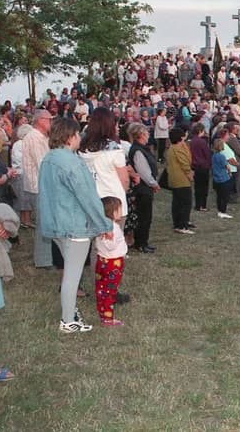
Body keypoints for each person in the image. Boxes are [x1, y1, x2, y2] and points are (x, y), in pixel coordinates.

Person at [38, 118, 111, 333]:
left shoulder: (48, 159)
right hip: (74, 225)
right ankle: (68, 320)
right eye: (78, 134)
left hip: (57, 224)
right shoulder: (72, 162)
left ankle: (69, 312)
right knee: (72, 275)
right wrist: (103, 223)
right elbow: (87, 197)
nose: (80, 138)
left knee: (70, 272)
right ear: (70, 137)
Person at [22, 109, 53, 269]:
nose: (51, 123)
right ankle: (43, 260)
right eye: (49, 120)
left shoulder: (41, 137)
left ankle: (46, 257)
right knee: (43, 223)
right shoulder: (34, 138)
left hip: (41, 185)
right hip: (38, 186)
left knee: (45, 222)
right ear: (40, 120)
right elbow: (43, 163)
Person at [93, 197, 128, 326]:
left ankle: (102, 310)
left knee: (101, 288)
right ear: (111, 212)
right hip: (113, 263)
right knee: (110, 290)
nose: (121, 212)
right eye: (119, 210)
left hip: (101, 261)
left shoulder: (99, 224)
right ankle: (108, 317)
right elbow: (111, 245)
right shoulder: (113, 228)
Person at [126, 123, 159, 254]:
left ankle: (143, 241)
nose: (148, 136)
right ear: (140, 135)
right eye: (146, 133)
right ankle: (141, 243)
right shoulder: (138, 150)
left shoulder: (141, 149)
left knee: (145, 216)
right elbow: (143, 171)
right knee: (144, 217)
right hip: (142, 189)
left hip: (145, 187)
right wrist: (153, 183)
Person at [166, 127, 194, 234]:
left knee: (177, 202)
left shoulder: (172, 148)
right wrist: (189, 174)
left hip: (175, 179)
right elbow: (186, 162)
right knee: (185, 203)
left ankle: (178, 223)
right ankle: (182, 225)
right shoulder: (177, 148)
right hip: (181, 179)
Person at [189, 123, 211, 212]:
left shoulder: (191, 142)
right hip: (203, 166)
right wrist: (209, 164)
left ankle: (198, 205)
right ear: (200, 131)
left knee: (197, 187)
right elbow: (207, 154)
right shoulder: (202, 142)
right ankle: (203, 205)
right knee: (204, 188)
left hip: (194, 166)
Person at [211, 139, 234, 219]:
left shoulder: (213, 156)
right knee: (225, 196)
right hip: (223, 178)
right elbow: (226, 166)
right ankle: (223, 211)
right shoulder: (221, 156)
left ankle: (219, 211)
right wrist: (230, 172)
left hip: (216, 178)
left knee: (219, 196)